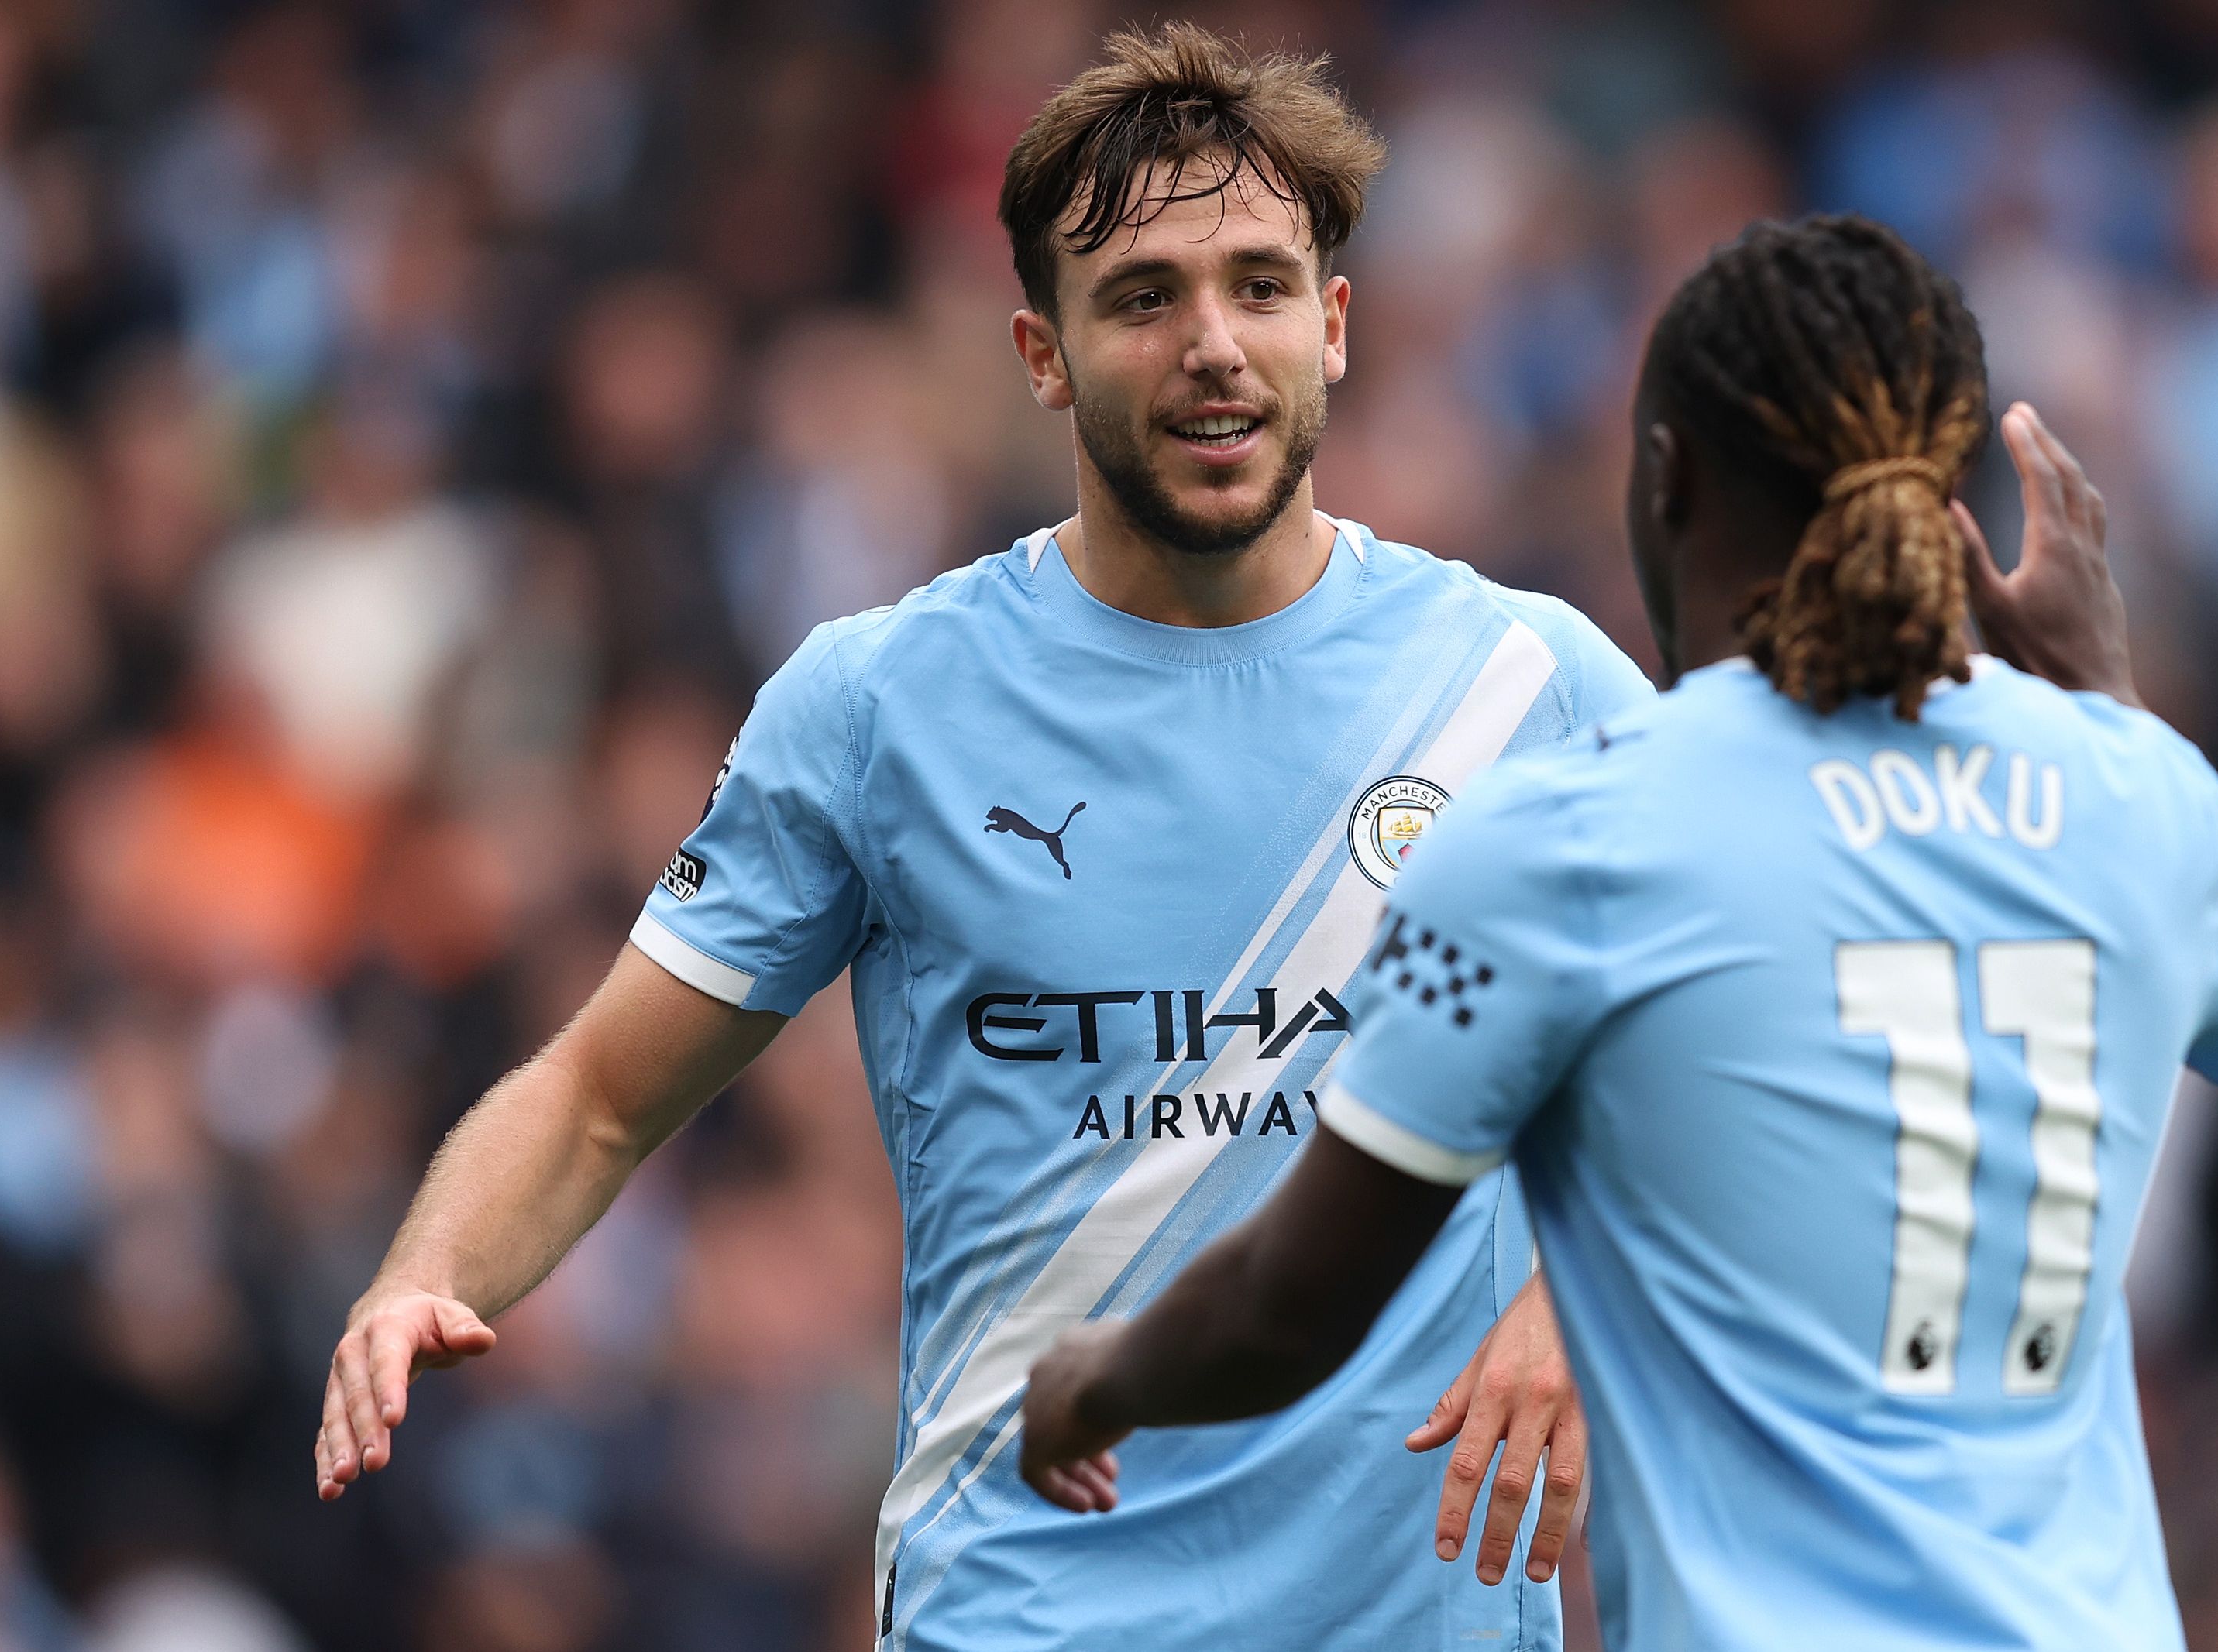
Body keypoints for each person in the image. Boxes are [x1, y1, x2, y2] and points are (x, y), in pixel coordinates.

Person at [316, 25, 1652, 1651]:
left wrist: (1582, 1301)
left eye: (1260, 284)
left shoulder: (1531, 685)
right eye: (1145, 296)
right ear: (1043, 352)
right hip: (1019, 1612)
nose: (1214, 343)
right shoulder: (883, 703)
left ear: (1338, 324)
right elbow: (597, 1097)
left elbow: (1757, 1055)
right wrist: (418, 1268)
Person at [1017, 215, 2218, 1651]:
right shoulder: (2128, 792)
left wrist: (1090, 1379)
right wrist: (2111, 712)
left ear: (1664, 478)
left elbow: (1290, 1306)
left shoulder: (1572, 839)